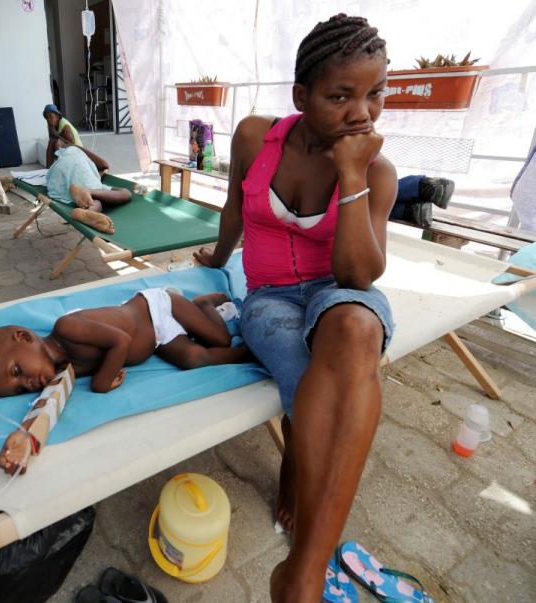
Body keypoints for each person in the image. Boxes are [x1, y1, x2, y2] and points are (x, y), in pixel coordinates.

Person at [194, 14, 396, 603]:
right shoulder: (257, 137)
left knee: (356, 328)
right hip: (270, 298)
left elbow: (358, 274)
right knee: (316, 379)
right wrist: (216, 255)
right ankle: (298, 506)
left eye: (375, 93)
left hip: (338, 289)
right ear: (301, 96)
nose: (362, 112)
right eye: (340, 96)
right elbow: (234, 207)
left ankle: (304, 571)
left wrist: (352, 174)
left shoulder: (376, 171)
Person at [0, 290, 250, 400]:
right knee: (194, 358)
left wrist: (101, 382)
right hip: (157, 339)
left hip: (157, 308)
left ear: (24, 338)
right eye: (21, 389)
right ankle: (249, 354)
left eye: (17, 371)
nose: (29, 383)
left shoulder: (66, 328)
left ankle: (203, 304)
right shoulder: (62, 369)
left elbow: (121, 340)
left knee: (220, 338)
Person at [46, 142, 132, 234]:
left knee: (93, 201)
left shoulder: (59, 158)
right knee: (125, 193)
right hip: (79, 170)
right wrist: (79, 147)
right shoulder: (76, 151)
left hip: (58, 181)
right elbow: (104, 165)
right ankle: (88, 192)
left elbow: (48, 171)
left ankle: (87, 212)